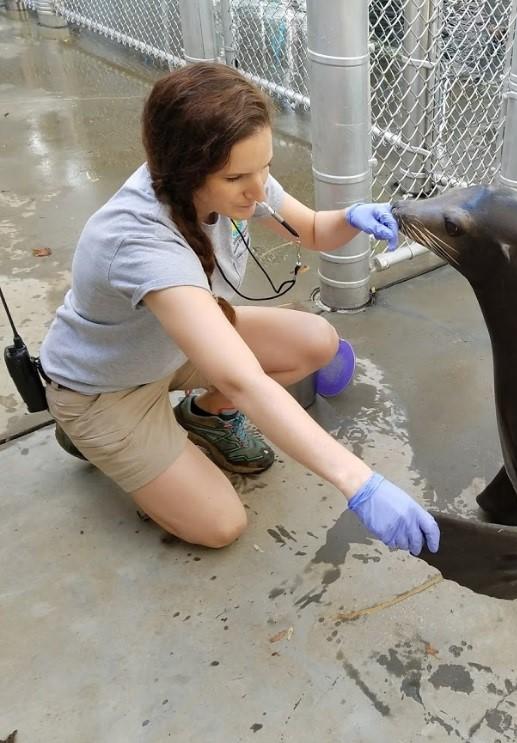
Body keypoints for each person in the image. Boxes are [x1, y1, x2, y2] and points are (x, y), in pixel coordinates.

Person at [39, 62, 439, 555]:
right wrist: (360, 481)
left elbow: (310, 229)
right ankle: (90, 437)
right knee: (220, 525)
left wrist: (354, 217)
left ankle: (201, 418)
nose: (258, 189)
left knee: (315, 341)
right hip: (105, 388)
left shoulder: (236, 173)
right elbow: (241, 380)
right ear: (183, 169)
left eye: (265, 166)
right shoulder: (137, 240)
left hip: (168, 344)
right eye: (237, 178)